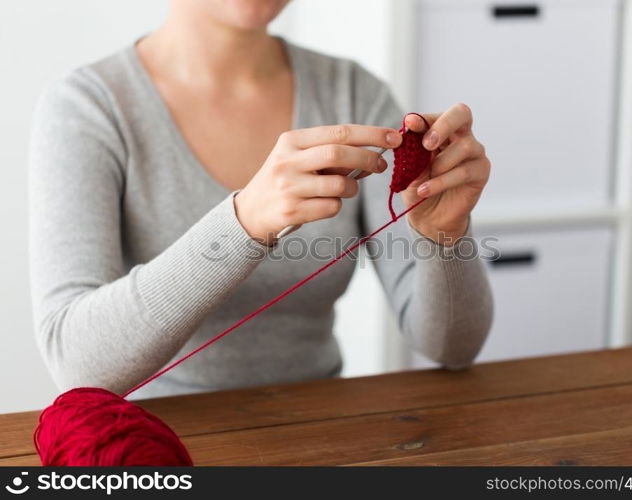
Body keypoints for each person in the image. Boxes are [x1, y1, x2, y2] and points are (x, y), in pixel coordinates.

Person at [28, 0, 493, 399]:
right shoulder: (87, 108)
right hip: (156, 450)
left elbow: (452, 348)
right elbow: (75, 362)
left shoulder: (354, 93)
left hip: (325, 439)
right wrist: (244, 222)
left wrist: (445, 237)